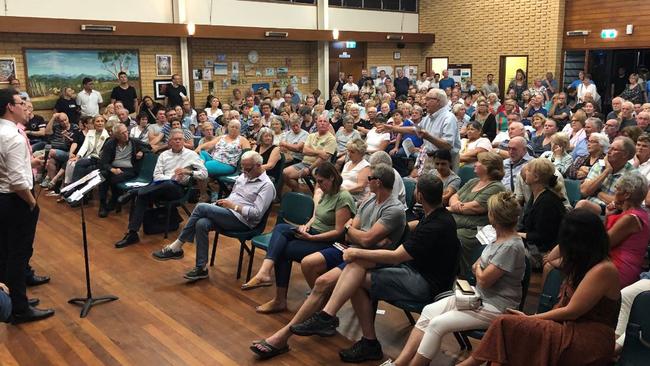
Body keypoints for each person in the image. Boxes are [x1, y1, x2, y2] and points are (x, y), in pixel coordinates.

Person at [249, 164, 405, 360]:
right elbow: (351, 235)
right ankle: (336, 323)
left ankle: (284, 336)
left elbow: (362, 238)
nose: (366, 181)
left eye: (370, 177)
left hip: (370, 260)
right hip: (352, 252)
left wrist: (356, 233)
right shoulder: (369, 201)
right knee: (307, 263)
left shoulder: (394, 209)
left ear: (377, 182)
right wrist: (358, 233)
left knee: (322, 283)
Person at [460, 209, 621, 366]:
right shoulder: (583, 263)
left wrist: (529, 318)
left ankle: (470, 363)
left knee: (506, 324)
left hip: (588, 339)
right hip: (568, 327)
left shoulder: (603, 269)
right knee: (509, 331)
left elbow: (572, 311)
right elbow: (552, 258)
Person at [389, 191, 525, 366]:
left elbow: (484, 279)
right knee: (429, 311)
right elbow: (478, 265)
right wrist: (480, 269)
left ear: (494, 216)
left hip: (498, 306)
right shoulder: (497, 236)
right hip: (479, 297)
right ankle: (400, 363)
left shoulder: (511, 246)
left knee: (437, 325)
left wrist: (480, 270)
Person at [241, 162, 354, 307]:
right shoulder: (328, 192)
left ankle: (279, 299)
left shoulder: (343, 197)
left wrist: (312, 237)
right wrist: (306, 226)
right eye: (316, 182)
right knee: (281, 228)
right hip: (313, 233)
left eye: (320, 181)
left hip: (328, 242)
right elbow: (316, 216)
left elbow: (339, 232)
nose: (318, 185)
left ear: (332, 178)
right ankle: (265, 273)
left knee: (283, 250)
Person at [152, 151, 274, 280]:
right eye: (242, 167)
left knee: (201, 207)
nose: (244, 171)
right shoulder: (244, 176)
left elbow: (256, 214)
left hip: (244, 221)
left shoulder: (267, 186)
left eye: (247, 168)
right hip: (228, 213)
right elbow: (233, 197)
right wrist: (219, 204)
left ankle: (177, 246)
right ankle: (201, 268)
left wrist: (233, 206)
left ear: (259, 166)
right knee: (201, 223)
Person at [0, 88, 55, 324]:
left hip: (3, 199)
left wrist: (29, 161)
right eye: (21, 102)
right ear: (10, 107)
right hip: (16, 200)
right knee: (18, 255)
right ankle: (20, 309)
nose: (25, 106)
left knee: (6, 252)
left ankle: (13, 299)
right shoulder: (12, 136)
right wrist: (32, 202)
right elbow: (16, 181)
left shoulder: (4, 131)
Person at [113, 129, 207, 248]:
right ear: (170, 142)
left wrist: (188, 172)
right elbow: (156, 176)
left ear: (184, 141)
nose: (178, 141)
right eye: (175, 139)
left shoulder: (191, 155)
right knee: (143, 197)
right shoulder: (164, 155)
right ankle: (132, 234)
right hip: (160, 187)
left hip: (177, 189)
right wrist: (171, 177)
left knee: (167, 184)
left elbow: (204, 174)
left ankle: (135, 192)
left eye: (180, 139)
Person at [448, 151, 506, 277]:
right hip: (457, 222)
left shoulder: (496, 187)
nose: (475, 164)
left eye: (479, 162)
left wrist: (453, 208)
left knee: (454, 238)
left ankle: (460, 276)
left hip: (477, 230)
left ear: (488, 167)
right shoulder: (473, 181)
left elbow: (475, 207)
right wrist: (456, 204)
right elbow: (453, 196)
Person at [604, 172, 650, 288]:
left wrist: (608, 217)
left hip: (618, 269)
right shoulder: (641, 213)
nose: (614, 191)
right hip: (611, 264)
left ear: (626, 194)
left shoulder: (630, 218)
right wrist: (609, 215)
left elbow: (603, 244)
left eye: (617, 188)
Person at [518, 158, 566, 257]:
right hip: (534, 245)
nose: (524, 172)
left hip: (545, 251)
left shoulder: (547, 202)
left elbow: (543, 236)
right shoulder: (536, 194)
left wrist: (517, 235)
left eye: (528, 170)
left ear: (536, 177)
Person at [577, 136, 637, 215]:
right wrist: (606, 171)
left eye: (614, 149)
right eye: (609, 148)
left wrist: (597, 193)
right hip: (590, 202)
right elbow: (584, 191)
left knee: (583, 205)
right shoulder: (599, 165)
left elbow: (622, 203)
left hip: (610, 210)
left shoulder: (632, 175)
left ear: (625, 154)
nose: (608, 152)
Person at [98, 123, 147, 217]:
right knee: (103, 174)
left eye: (126, 132)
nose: (126, 135)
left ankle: (114, 199)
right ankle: (103, 204)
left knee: (112, 178)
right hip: (114, 168)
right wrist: (112, 169)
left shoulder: (133, 141)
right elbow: (103, 162)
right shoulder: (110, 143)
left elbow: (148, 146)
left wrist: (141, 151)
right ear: (116, 136)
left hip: (129, 169)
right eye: (122, 133)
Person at [282, 115, 336, 192]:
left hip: (320, 166)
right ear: (316, 123)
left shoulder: (331, 139)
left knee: (318, 176)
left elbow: (324, 157)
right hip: (304, 163)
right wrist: (319, 152)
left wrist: (309, 169)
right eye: (320, 121)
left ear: (328, 124)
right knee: (285, 173)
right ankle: (301, 193)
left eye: (325, 121)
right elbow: (305, 150)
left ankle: (318, 196)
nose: (322, 123)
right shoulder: (311, 136)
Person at [62, 115, 109, 190]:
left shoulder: (107, 135)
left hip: (99, 159)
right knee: (71, 162)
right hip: (89, 157)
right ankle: (73, 187)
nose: (100, 123)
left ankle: (74, 188)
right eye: (97, 121)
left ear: (104, 123)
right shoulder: (90, 132)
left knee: (79, 164)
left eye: (102, 121)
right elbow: (85, 146)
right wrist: (78, 156)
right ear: (94, 124)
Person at [340, 139, 371, 203]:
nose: (349, 154)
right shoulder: (347, 164)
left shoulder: (365, 166)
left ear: (360, 153)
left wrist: (343, 191)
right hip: (342, 193)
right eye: (348, 151)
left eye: (352, 152)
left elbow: (361, 187)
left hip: (354, 197)